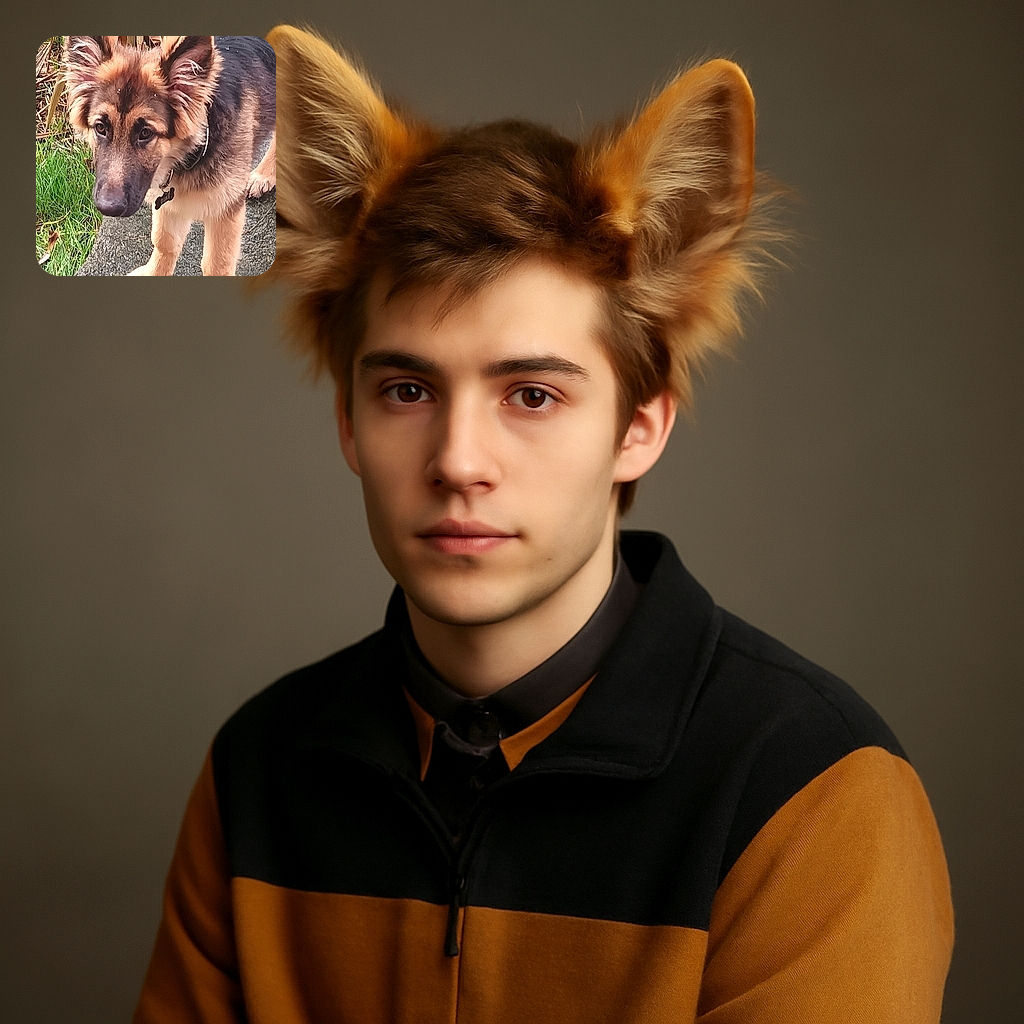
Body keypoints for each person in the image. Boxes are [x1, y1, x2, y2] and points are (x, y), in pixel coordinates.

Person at [132, 25, 953, 1023]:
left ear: (640, 426)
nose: (457, 461)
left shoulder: (812, 791)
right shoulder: (257, 770)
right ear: (346, 420)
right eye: (405, 389)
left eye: (531, 394)